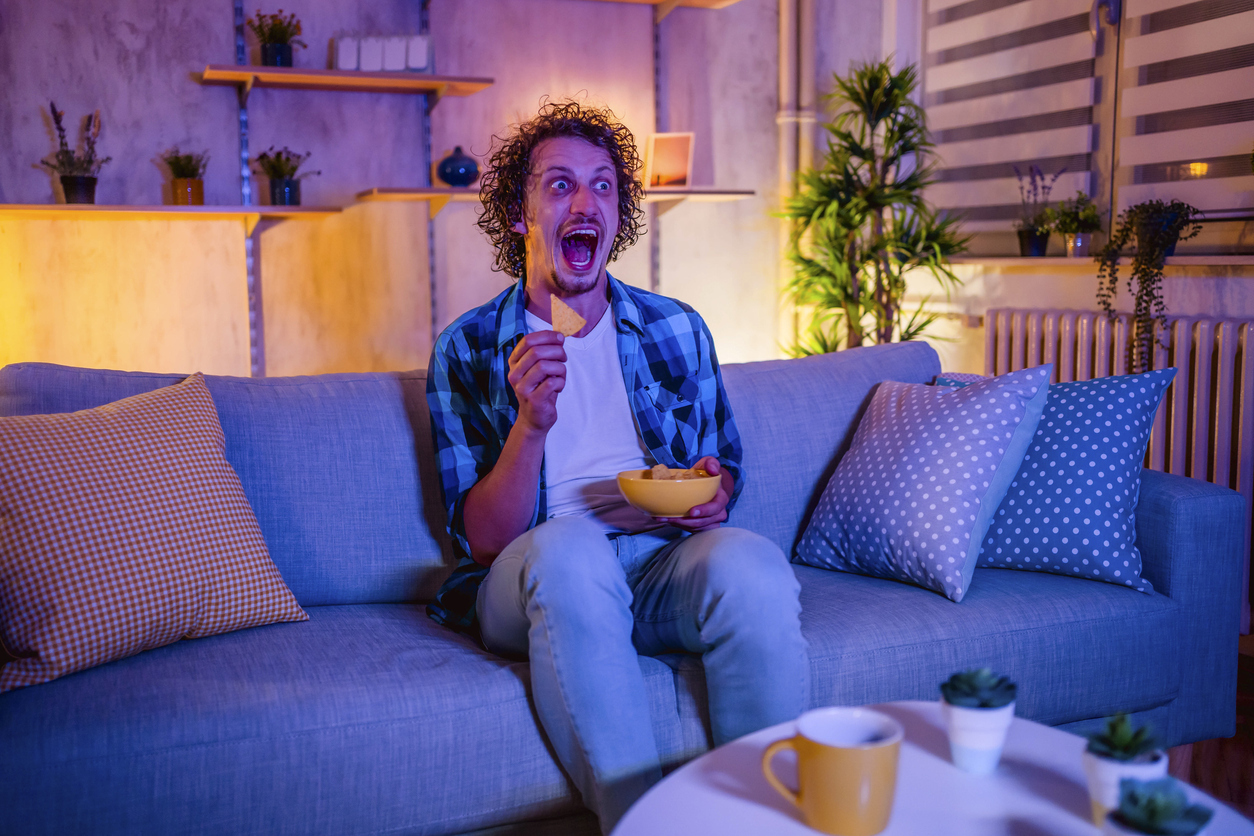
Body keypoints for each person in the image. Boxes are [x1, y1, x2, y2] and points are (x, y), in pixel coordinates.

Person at [425, 100, 808, 833]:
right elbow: (481, 542)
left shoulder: (675, 326)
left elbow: (720, 467)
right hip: (534, 575)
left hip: (657, 561)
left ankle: (772, 819)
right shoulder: (469, 348)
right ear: (519, 214)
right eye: (560, 184)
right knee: (570, 550)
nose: (586, 201)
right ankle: (645, 823)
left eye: (603, 185)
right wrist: (531, 426)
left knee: (752, 563)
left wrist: (709, 496)